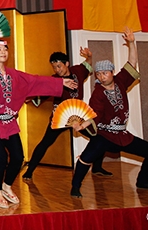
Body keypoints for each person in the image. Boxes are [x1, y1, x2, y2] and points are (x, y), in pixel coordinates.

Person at [0, 34, 78, 209]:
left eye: (5, 49)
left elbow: (36, 80)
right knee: (0, 157)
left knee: (18, 158)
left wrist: (61, 82)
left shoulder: (15, 75)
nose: (2, 52)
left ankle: (7, 186)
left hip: (8, 123)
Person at [70, 27, 148, 198]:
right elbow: (94, 114)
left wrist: (132, 43)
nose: (102, 76)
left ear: (112, 72)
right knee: (86, 158)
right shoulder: (97, 93)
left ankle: (142, 181)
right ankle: (75, 187)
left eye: (105, 73)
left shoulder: (121, 81)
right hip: (104, 135)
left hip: (122, 134)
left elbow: (132, 63)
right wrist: (82, 124)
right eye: (99, 74)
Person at [22, 47, 111, 180]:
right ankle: (29, 171)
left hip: (78, 116)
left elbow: (88, 63)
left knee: (99, 137)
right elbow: (41, 92)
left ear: (67, 64)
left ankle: (97, 167)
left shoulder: (78, 71)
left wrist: (89, 56)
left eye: (59, 66)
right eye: (54, 67)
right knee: (45, 143)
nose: (57, 70)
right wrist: (28, 97)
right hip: (60, 117)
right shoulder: (54, 80)